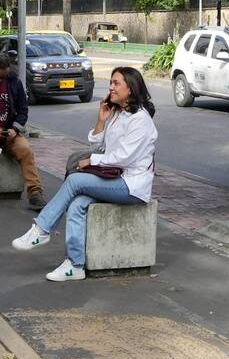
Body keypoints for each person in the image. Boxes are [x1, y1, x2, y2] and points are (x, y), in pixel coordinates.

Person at [11, 67, 157, 282]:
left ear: (131, 88)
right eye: (111, 82)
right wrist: (101, 120)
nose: (110, 87)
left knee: (75, 181)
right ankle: (75, 265)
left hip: (131, 186)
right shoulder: (117, 112)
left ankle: (41, 229)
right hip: (113, 179)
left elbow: (124, 157)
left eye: (116, 83)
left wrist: (91, 161)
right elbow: (98, 145)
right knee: (77, 204)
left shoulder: (140, 120)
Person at [0, 55, 44, 211]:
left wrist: (14, 129)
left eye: (4, 72)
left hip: (10, 132)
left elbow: (23, 111)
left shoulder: (14, 82)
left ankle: (35, 194)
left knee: (25, 151)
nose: (3, 75)